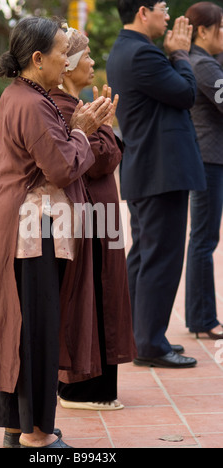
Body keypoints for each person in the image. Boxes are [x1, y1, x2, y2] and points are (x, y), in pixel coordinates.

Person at [0, 16, 114, 449]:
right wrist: (82, 132)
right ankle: (36, 436)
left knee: (20, 327)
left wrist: (77, 130)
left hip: (24, 226)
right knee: (34, 328)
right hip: (33, 231)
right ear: (38, 59)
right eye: (61, 51)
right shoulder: (32, 103)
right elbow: (62, 166)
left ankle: (18, 427)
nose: (67, 59)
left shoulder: (22, 95)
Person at [106, 1, 207, 368]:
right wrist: (181, 54)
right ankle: (149, 343)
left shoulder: (129, 49)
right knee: (160, 259)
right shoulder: (141, 55)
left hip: (149, 169)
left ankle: (140, 336)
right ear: (143, 12)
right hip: (160, 171)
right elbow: (185, 94)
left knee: (146, 257)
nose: (169, 17)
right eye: (163, 9)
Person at [50, 27, 137, 411]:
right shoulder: (61, 108)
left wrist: (102, 128)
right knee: (89, 293)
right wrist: (102, 128)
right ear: (66, 66)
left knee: (106, 290)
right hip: (87, 219)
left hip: (100, 216)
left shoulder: (77, 105)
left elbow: (109, 152)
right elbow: (100, 159)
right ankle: (81, 387)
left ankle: (92, 383)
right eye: (85, 57)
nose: (92, 64)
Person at [184, 2, 223, 340]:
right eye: (220, 27)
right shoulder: (204, 66)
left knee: (203, 238)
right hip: (208, 160)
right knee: (203, 240)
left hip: (208, 159)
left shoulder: (205, 62)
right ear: (204, 31)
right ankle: (202, 318)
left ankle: (200, 316)